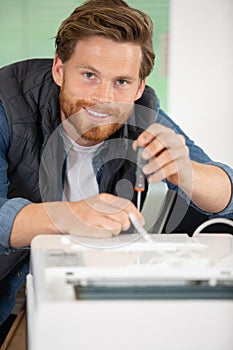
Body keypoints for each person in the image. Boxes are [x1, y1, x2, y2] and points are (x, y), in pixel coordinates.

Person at [0, 0, 232, 326]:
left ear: (139, 87)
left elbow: (227, 197)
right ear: (59, 69)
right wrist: (68, 215)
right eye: (89, 75)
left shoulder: (143, 117)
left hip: (76, 306)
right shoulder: (6, 104)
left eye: (121, 82)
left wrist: (189, 172)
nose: (103, 98)